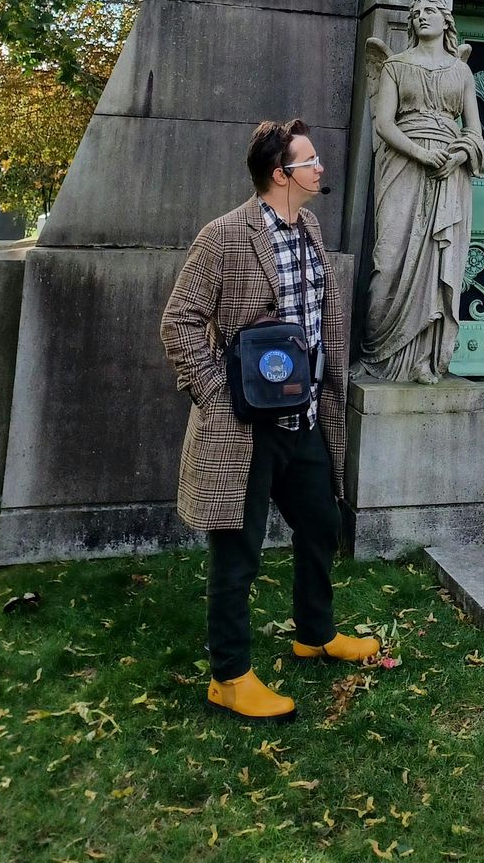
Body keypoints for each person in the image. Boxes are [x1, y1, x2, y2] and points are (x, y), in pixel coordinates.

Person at [160, 118, 378, 722]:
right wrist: (218, 393)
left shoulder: (309, 229)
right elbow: (179, 322)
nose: (320, 168)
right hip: (245, 429)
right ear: (282, 174)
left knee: (322, 523)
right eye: (310, 161)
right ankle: (229, 677)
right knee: (238, 552)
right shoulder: (224, 237)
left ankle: (315, 633)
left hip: (303, 421)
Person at [359, 0, 484, 382]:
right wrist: (421, 153)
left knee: (437, 259)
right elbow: (384, 124)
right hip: (404, 165)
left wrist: (459, 156)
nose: (420, 17)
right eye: (415, 13)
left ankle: (422, 360)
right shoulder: (395, 66)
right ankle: (379, 355)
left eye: (429, 11)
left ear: (446, 21)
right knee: (389, 258)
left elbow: (475, 132)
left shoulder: (461, 72)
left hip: (448, 173)